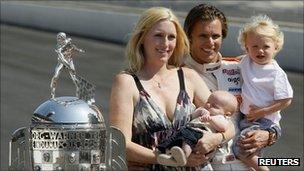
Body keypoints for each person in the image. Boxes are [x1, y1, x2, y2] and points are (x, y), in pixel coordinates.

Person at [109, 7, 235, 170]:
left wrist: (215, 139)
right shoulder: (126, 82)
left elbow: (229, 123)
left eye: (171, 37)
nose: (165, 44)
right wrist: (168, 159)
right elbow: (119, 144)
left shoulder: (189, 77)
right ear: (142, 38)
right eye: (158, 36)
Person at [183, 4, 282, 170]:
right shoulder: (177, 75)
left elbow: (270, 112)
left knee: (292, 163)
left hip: (248, 163)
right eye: (203, 36)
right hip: (205, 165)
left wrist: (270, 135)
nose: (210, 42)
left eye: (216, 36)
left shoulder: (242, 68)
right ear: (189, 37)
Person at [232, 15, 293, 171]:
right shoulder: (246, 61)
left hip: (264, 122)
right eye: (254, 46)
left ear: (275, 47)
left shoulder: (276, 73)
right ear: (247, 48)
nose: (260, 50)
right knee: (252, 155)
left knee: (241, 149)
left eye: (266, 46)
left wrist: (262, 112)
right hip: (248, 119)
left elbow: (286, 100)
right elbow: (231, 61)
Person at [157, 91, 238, 167]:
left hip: (201, 133)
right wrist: (199, 112)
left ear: (227, 114)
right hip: (189, 129)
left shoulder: (221, 118)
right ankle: (168, 154)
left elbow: (223, 127)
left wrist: (211, 119)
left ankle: (184, 156)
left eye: (214, 106)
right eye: (208, 102)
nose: (208, 105)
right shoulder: (204, 110)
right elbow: (191, 117)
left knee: (188, 142)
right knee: (174, 139)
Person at [50, 32, 84, 98]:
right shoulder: (58, 47)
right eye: (57, 38)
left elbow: (72, 47)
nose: (58, 40)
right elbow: (62, 59)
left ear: (63, 38)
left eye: (59, 38)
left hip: (69, 61)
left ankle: (79, 94)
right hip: (61, 62)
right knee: (55, 76)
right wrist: (68, 66)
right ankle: (52, 95)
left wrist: (79, 50)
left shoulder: (68, 42)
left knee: (74, 78)